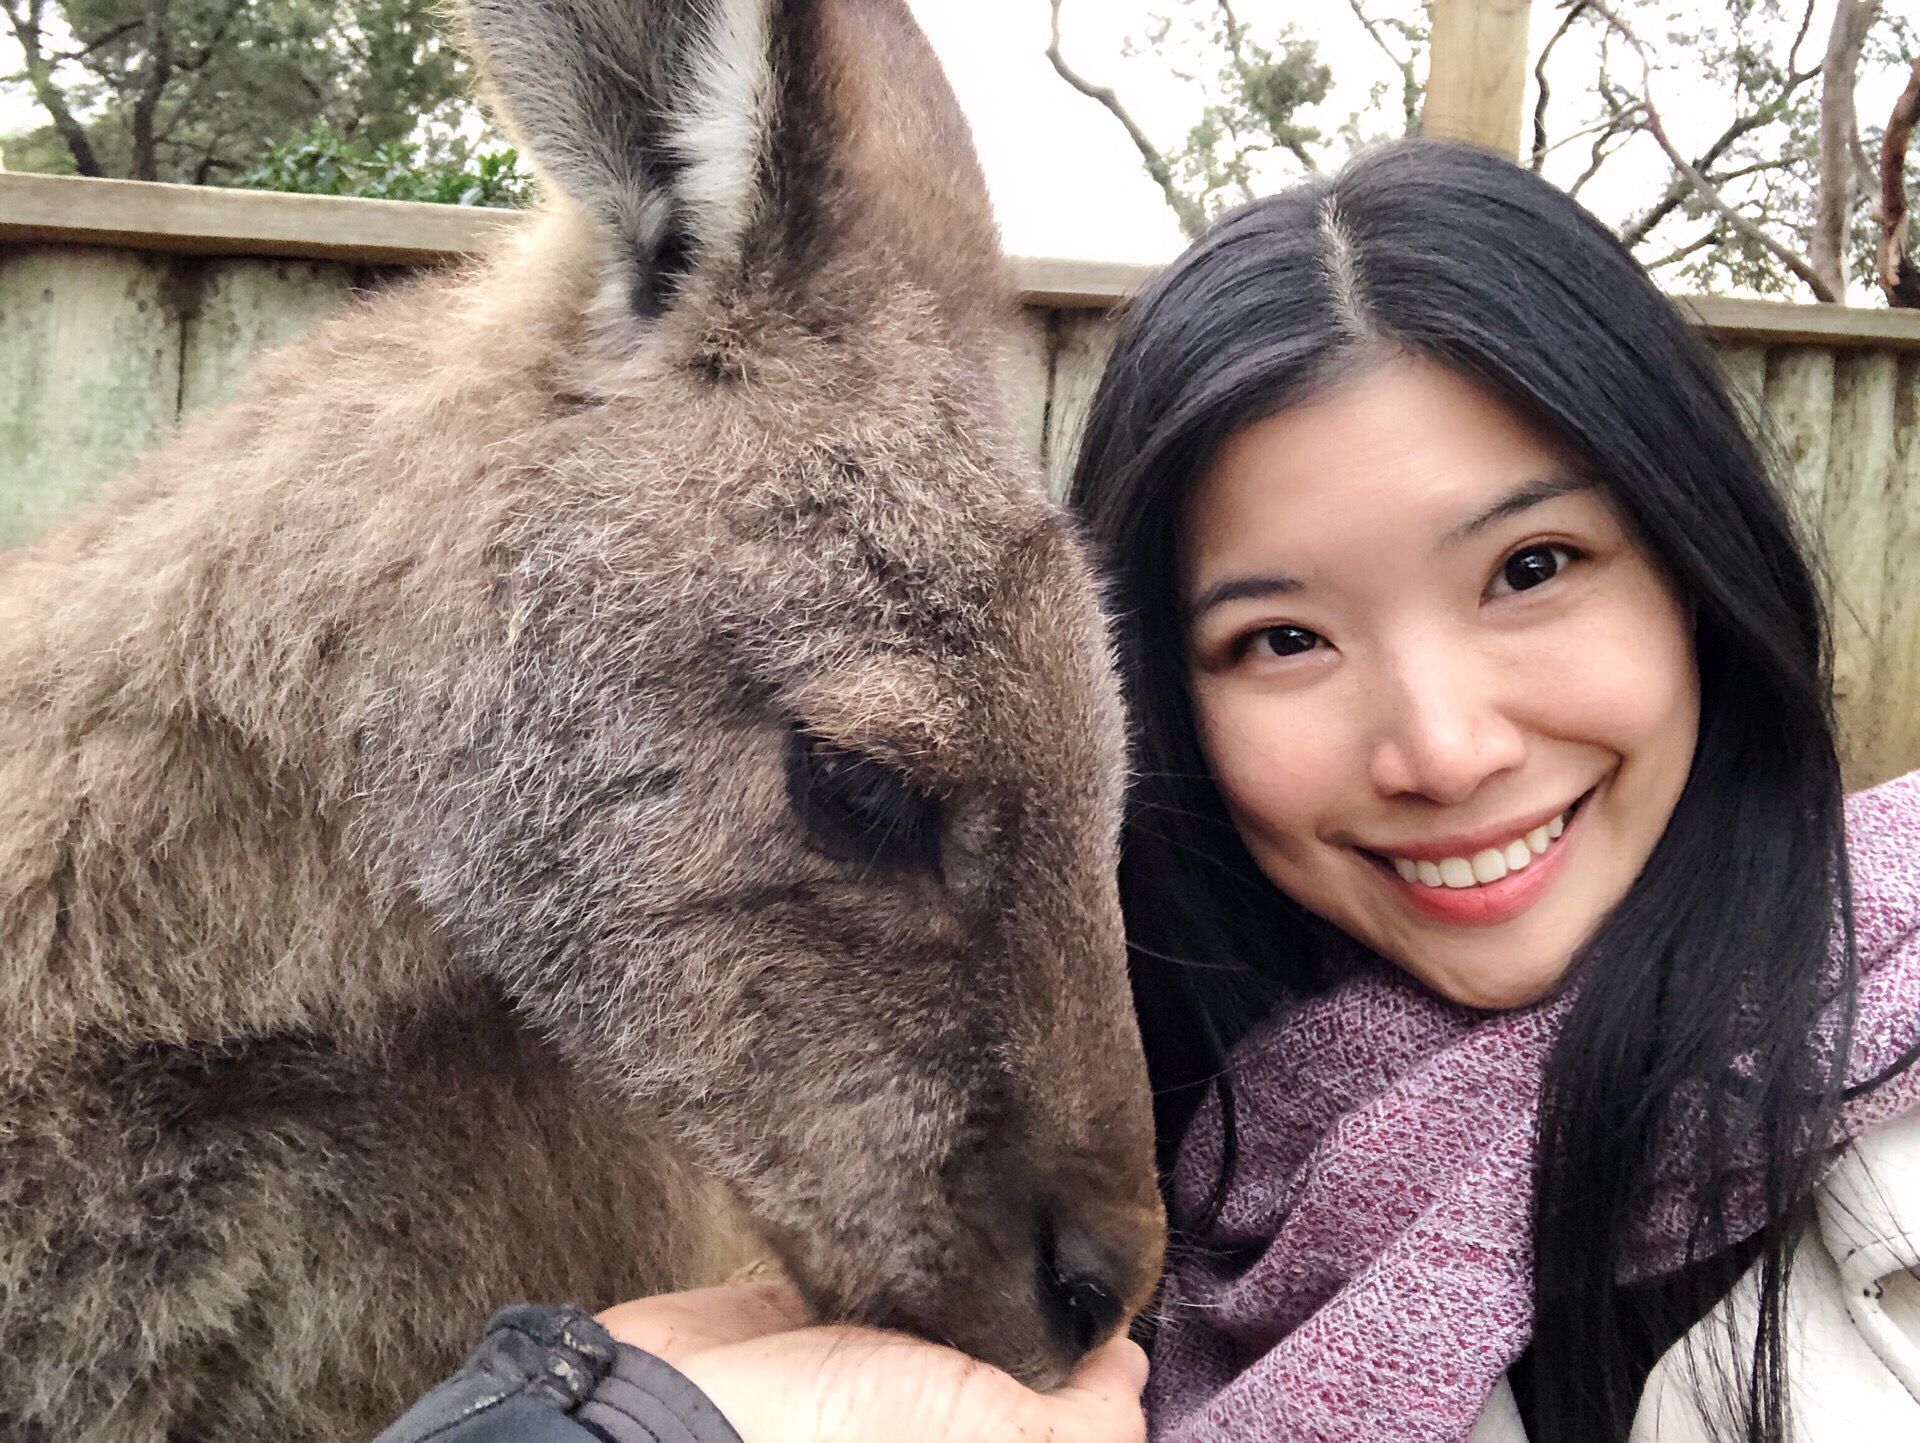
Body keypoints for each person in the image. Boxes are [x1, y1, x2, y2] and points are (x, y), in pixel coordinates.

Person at [378, 140, 1920, 1443]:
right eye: (1282, 639)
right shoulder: (1169, 1182)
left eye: (1532, 569)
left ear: (1698, 576)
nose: (1444, 749)